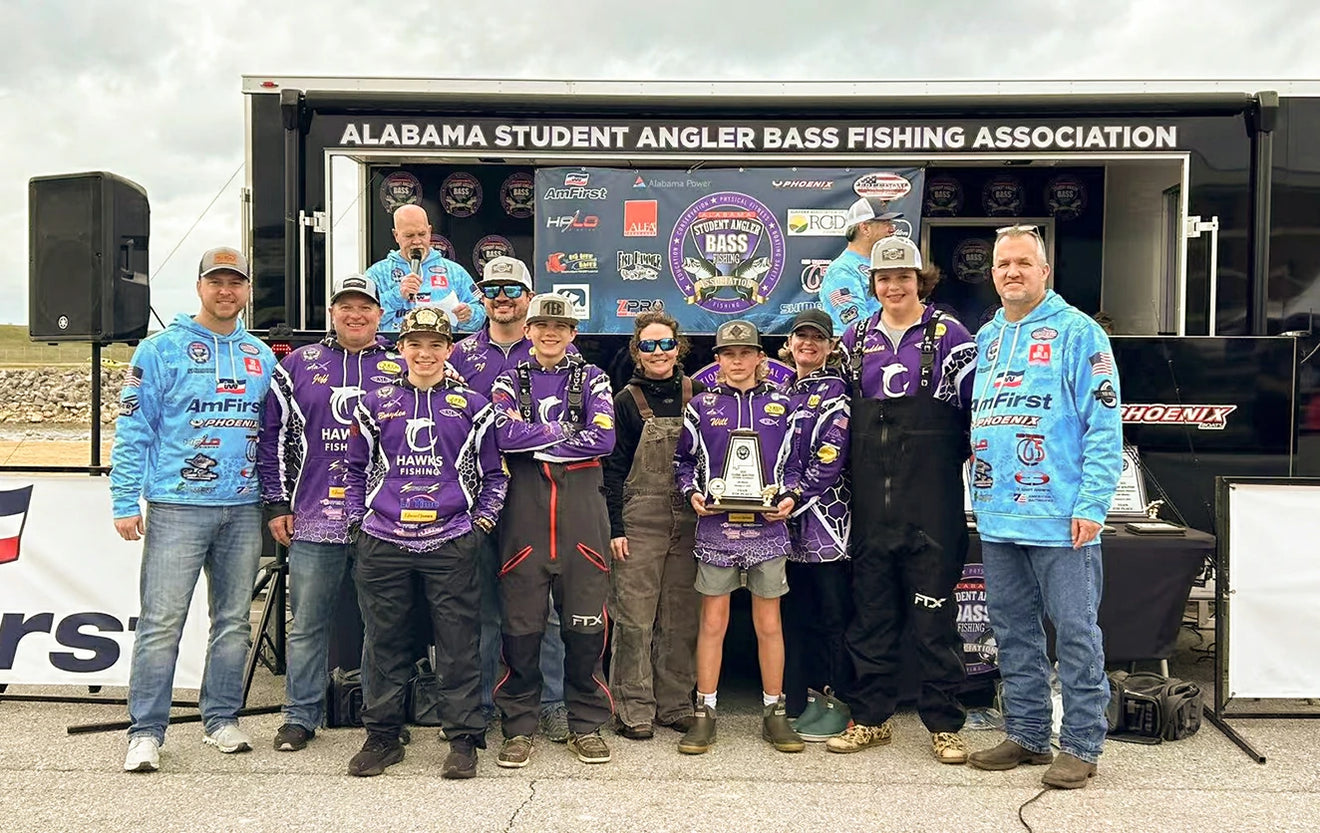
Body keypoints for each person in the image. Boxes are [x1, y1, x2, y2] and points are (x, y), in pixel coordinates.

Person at [965, 225, 1123, 790]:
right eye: (1003, 264)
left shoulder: (1078, 333)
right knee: (1011, 630)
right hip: (998, 512)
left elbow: (1104, 426)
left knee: (1076, 632)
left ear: (1045, 270)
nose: (1012, 272)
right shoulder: (987, 337)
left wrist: (1094, 503)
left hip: (1062, 517)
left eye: (1023, 263)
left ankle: (1081, 744)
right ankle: (1029, 734)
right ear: (993, 274)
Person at [112, 246, 277, 773]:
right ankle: (146, 731)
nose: (226, 291)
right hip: (177, 505)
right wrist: (124, 498)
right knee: (162, 622)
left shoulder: (261, 355)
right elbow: (133, 426)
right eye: (216, 281)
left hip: (243, 506)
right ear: (199, 286)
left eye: (236, 282)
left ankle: (222, 719)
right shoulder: (161, 349)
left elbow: (279, 434)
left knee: (232, 621)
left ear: (248, 290)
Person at [827, 236, 977, 765]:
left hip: (931, 500)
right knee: (871, 616)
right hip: (872, 500)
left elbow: (974, 415)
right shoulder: (854, 336)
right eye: (884, 279)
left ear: (921, 280)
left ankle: (944, 724)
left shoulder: (952, 334)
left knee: (935, 619)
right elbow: (839, 415)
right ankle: (871, 718)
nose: (893, 287)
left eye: (903, 278)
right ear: (873, 284)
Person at [342, 307, 507, 779]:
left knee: (458, 644)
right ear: (401, 349)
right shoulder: (373, 403)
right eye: (416, 343)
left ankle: (462, 739)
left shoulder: (475, 406)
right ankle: (382, 737)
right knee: (385, 642)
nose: (426, 352)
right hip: (383, 539)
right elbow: (353, 471)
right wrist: (358, 521)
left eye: (436, 344)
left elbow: (495, 476)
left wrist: (481, 527)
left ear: (449, 350)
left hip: (452, 539)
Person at [257, 273, 404, 752]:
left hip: (382, 521)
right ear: (332, 313)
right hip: (313, 518)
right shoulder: (299, 363)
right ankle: (300, 716)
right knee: (308, 623)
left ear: (380, 314)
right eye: (346, 307)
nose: (355, 315)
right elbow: (272, 438)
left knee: (382, 624)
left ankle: (380, 717)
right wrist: (278, 502)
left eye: (365, 307)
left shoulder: (402, 363)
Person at [450, 255, 574, 743]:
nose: (502, 297)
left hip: (537, 496)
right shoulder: (458, 355)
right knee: (476, 608)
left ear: (529, 295)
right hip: (472, 500)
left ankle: (552, 702)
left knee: (545, 607)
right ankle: (477, 705)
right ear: (481, 296)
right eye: (492, 289)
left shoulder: (549, 350)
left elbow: (578, 428)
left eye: (512, 289)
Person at [489, 293, 617, 768]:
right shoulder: (508, 379)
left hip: (582, 519)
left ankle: (585, 724)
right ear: (528, 330)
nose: (550, 333)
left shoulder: (595, 378)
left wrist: (536, 441)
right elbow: (504, 435)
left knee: (586, 628)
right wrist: (567, 434)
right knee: (521, 629)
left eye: (560, 328)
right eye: (542, 325)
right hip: (525, 519)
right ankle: (518, 726)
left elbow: (603, 438)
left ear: (573, 334)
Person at [673, 320, 805, 755]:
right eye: (728, 354)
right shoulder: (701, 405)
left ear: (759, 358)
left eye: (744, 353)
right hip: (717, 525)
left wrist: (788, 496)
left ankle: (775, 711)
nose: (736, 361)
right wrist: (692, 492)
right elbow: (684, 463)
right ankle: (704, 710)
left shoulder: (783, 405)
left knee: (769, 623)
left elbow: (795, 466)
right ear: (718, 360)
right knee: (713, 622)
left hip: (767, 526)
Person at [602, 312, 703, 740]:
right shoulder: (625, 401)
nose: (658, 352)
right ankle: (632, 708)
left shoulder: (700, 394)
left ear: (679, 347)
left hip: (694, 516)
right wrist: (615, 527)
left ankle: (676, 703)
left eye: (665, 344)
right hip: (640, 517)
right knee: (635, 617)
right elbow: (612, 468)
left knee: (682, 616)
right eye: (649, 345)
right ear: (636, 352)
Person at [777, 309, 853, 741]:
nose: (808, 344)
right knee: (797, 615)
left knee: (832, 616)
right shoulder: (781, 389)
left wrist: (793, 496)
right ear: (789, 343)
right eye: (801, 336)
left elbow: (830, 456)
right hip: (785, 525)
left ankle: (838, 700)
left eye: (817, 339)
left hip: (826, 521)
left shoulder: (837, 391)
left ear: (829, 347)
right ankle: (803, 698)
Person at [366, 204, 485, 333]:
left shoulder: (455, 272)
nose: (417, 241)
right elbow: (365, 317)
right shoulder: (377, 273)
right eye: (409, 235)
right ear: (396, 235)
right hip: (394, 349)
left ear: (429, 231)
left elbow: (481, 313)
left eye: (422, 234)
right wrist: (397, 295)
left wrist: (469, 315)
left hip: (442, 350)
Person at [818, 197, 902, 334]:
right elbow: (855, 327)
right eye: (886, 223)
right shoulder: (841, 270)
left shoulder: (882, 265)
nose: (892, 229)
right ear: (865, 228)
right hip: (862, 351)